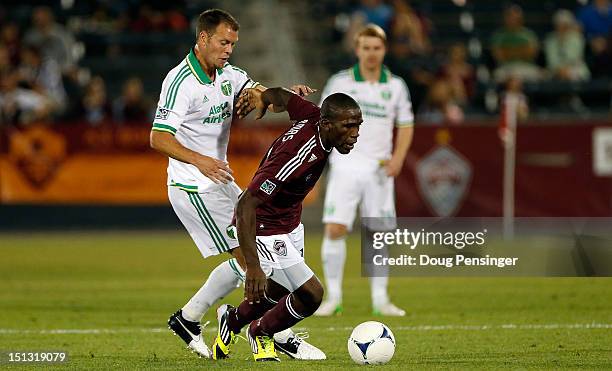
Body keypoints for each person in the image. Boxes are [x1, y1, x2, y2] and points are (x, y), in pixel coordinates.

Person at [148, 9, 321, 360]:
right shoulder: (180, 82)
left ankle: (189, 318)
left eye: (233, 44)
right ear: (203, 39)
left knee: (262, 259)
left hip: (220, 182)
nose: (228, 50)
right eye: (223, 42)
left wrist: (285, 95)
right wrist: (201, 160)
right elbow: (158, 137)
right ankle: (276, 332)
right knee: (254, 262)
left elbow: (257, 96)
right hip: (193, 187)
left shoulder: (230, 75)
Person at [212, 87, 362, 362]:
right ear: (328, 125)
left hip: (290, 221)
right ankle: (261, 333)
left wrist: (263, 97)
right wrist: (254, 266)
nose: (355, 133)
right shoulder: (296, 156)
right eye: (349, 126)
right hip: (265, 226)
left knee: (281, 288)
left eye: (358, 125)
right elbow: (246, 204)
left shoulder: (314, 116)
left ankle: (233, 320)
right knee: (311, 294)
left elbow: (283, 96)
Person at [314, 24, 414, 317]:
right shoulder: (340, 82)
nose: (371, 53)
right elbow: (323, 121)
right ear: (357, 50)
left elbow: (406, 125)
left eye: (377, 48)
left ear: (384, 50)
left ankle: (380, 299)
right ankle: (333, 298)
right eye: (366, 48)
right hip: (346, 165)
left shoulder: (395, 86)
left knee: (378, 234)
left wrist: (398, 157)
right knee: (335, 228)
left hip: (380, 169)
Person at [490, 4, 541, 82]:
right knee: (498, 76)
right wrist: (521, 49)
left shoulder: (528, 34)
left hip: (526, 66)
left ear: (520, 18)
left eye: (515, 17)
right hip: (506, 67)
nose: (512, 19)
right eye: (510, 16)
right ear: (505, 18)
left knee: (539, 76)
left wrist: (508, 50)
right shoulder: (498, 35)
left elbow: (531, 53)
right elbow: (499, 56)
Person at [545, 9, 590, 81]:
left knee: (576, 74)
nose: (562, 28)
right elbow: (551, 60)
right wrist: (559, 70)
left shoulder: (577, 38)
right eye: (559, 25)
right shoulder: (550, 39)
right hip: (555, 70)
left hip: (575, 68)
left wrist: (565, 70)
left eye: (565, 25)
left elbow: (573, 58)